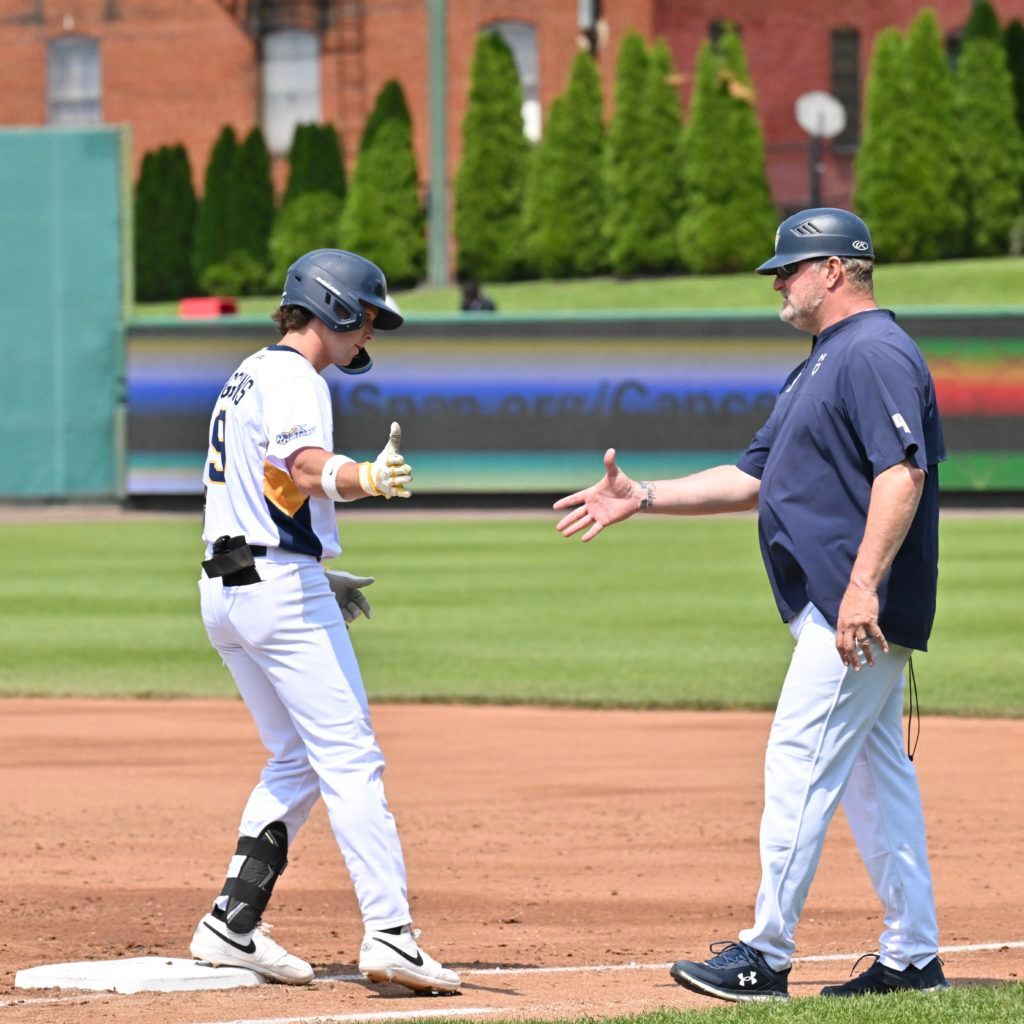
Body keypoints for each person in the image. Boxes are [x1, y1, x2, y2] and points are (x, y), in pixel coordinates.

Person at [554, 209, 948, 1002]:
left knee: (798, 762)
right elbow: (753, 477)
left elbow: (901, 472)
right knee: (876, 784)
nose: (778, 283)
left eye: (789, 269)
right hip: (842, 608)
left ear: (833, 270)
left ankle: (765, 955)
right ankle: (913, 959)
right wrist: (644, 496)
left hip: (851, 609)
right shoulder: (822, 361)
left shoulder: (872, 351)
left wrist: (862, 586)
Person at [189, 248, 461, 995]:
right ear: (332, 305)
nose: (370, 330)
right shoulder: (295, 378)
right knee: (350, 758)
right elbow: (306, 468)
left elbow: (268, 486)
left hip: (229, 582)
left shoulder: (249, 373)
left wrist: (310, 568)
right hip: (274, 588)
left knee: (296, 759)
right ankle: (392, 934)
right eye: (366, 315)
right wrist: (364, 476)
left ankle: (231, 922)